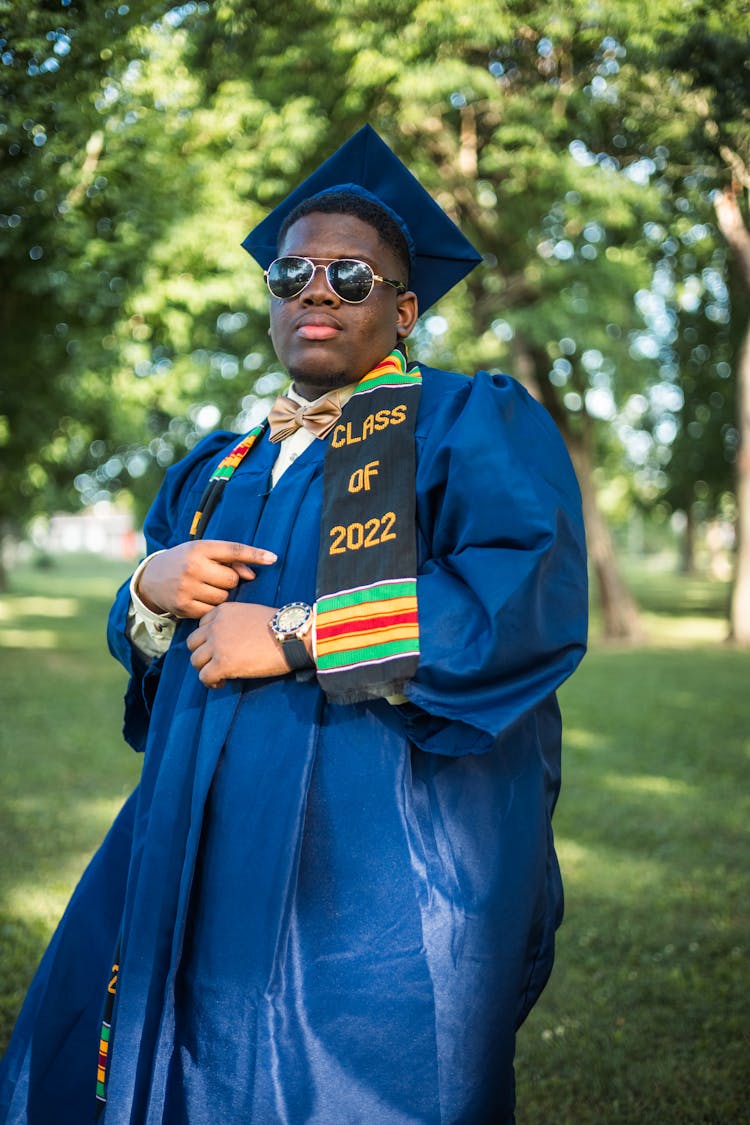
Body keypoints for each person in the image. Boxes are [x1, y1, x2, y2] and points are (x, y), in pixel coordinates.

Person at [0, 125, 587, 1124]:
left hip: (378, 839)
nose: (316, 290)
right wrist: (149, 586)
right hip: (198, 810)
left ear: (403, 310)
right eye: (292, 272)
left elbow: (516, 595)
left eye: (351, 276)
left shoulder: (459, 421)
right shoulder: (215, 465)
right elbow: (147, 646)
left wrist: (292, 633)